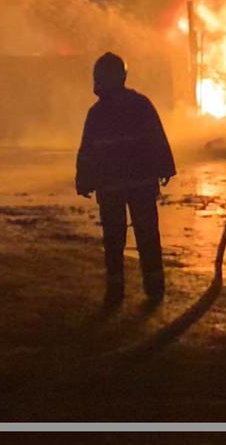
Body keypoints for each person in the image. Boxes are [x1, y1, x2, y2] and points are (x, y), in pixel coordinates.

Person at [76, 52, 176, 307]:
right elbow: (157, 137)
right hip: (140, 183)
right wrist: (165, 167)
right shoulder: (141, 104)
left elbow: (87, 150)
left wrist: (84, 179)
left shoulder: (97, 113)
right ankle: (154, 287)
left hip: (111, 186)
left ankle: (116, 289)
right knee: (147, 234)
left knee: (114, 238)